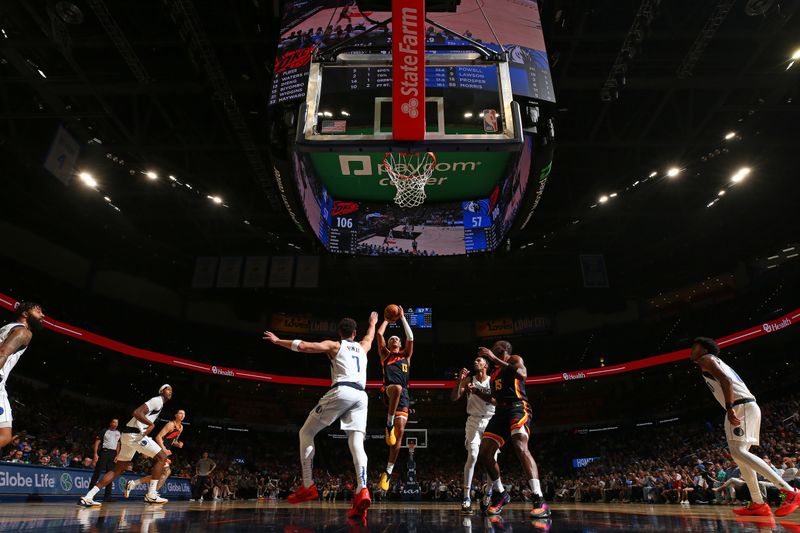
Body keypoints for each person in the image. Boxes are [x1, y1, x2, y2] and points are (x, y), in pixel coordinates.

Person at [263, 312, 377, 520]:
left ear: (339, 333)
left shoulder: (335, 345)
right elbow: (370, 335)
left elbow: (305, 346)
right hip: (362, 396)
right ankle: (363, 489)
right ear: (354, 332)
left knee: (306, 431)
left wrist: (279, 341)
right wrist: (375, 322)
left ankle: (308, 485)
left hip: (342, 391)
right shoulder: (363, 346)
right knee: (356, 442)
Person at [690, 337, 800, 516]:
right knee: (739, 455)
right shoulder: (713, 361)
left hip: (740, 405)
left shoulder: (706, 359)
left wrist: (730, 407)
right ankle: (758, 502)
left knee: (739, 452)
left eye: (694, 347)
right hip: (741, 406)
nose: (691, 351)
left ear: (703, 350)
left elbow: (726, 380)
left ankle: (790, 491)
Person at [477, 341, 550, 518]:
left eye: (496, 347)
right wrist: (476, 392)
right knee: (485, 452)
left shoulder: (515, 359)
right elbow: (494, 399)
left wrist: (494, 358)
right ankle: (501, 493)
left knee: (520, 445)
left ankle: (539, 498)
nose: (492, 348)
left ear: (504, 349)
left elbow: (522, 375)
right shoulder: (494, 373)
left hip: (518, 407)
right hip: (500, 412)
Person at [79, 385, 173, 507]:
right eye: (167, 389)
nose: (170, 391)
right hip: (135, 435)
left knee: (117, 469)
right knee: (162, 457)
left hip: (128, 435)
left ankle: (89, 496)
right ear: (161, 391)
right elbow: (137, 412)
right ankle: (152, 494)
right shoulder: (157, 400)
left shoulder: (160, 404)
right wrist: (150, 424)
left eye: (171, 390)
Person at [451, 355, 495, 514]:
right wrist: (459, 380)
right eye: (475, 360)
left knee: (492, 460)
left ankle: (488, 493)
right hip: (473, 421)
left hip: (491, 420)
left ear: (486, 366)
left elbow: (497, 400)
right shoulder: (469, 379)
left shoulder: (492, 380)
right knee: (473, 455)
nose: (475, 362)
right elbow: (454, 397)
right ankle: (466, 497)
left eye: (479, 360)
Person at [376, 308, 414, 493]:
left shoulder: (406, 355)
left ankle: (388, 472)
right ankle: (388, 423)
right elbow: (379, 334)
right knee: (396, 388)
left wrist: (403, 319)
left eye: (397, 339)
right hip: (388, 390)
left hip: (404, 397)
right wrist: (386, 320)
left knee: (398, 438)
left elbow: (411, 337)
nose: (394, 339)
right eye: (392, 339)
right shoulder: (385, 355)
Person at [0, 302, 45, 450]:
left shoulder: (8, 327)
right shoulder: (23, 332)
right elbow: (2, 354)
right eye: (38, 312)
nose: (43, 315)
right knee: (4, 436)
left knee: (5, 435)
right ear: (25, 314)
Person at [125, 409, 186, 498]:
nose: (182, 415)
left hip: (164, 452)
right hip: (158, 449)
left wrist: (178, 444)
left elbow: (172, 440)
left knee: (159, 474)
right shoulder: (170, 424)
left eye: (184, 414)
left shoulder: (181, 427)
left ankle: (133, 483)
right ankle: (152, 493)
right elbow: (158, 437)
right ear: (176, 415)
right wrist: (164, 449)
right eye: (180, 413)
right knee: (166, 472)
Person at [89, 419, 121, 502]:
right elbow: (97, 442)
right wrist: (95, 454)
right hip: (104, 452)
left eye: (117, 423)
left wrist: (117, 455)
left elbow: (118, 444)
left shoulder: (118, 433)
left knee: (110, 475)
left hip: (113, 454)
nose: (115, 424)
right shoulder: (104, 431)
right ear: (110, 423)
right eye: (114, 422)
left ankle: (107, 496)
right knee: (97, 473)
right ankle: (90, 495)